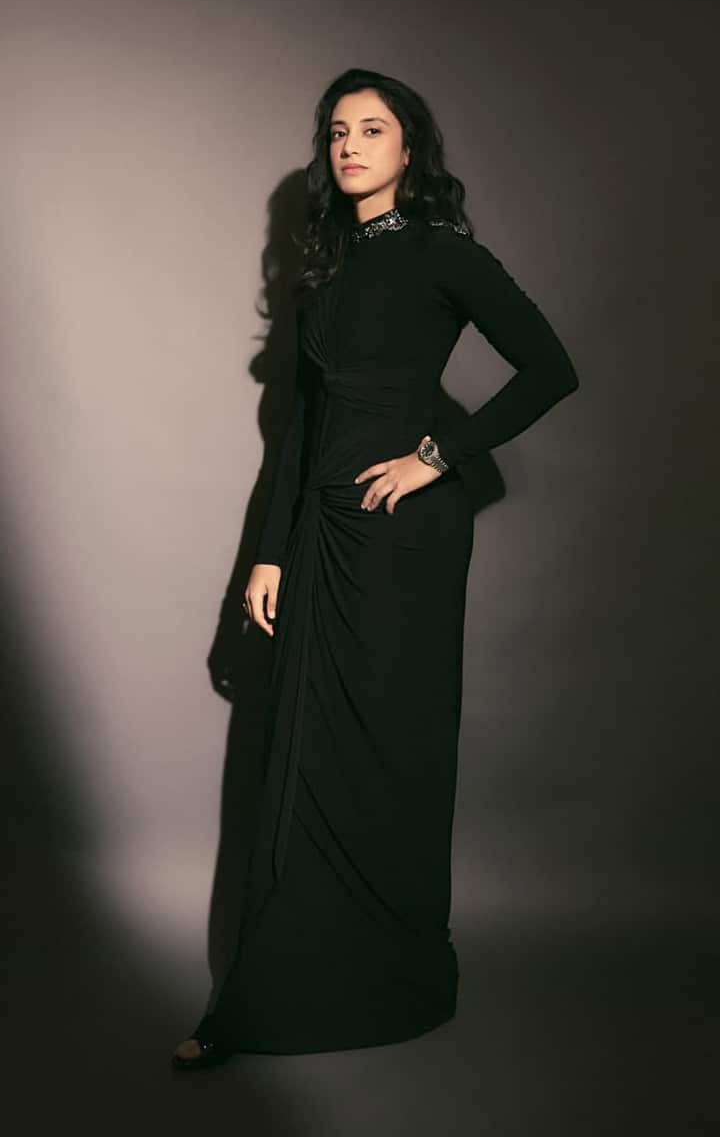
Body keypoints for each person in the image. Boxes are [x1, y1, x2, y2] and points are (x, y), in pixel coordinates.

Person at [171, 67, 579, 1069]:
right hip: (320, 531)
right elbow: (301, 428)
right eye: (338, 131)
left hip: (406, 543)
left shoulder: (443, 253)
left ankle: (395, 977)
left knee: (392, 748)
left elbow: (550, 368)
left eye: (372, 128)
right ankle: (269, 997)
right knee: (303, 756)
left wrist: (438, 456)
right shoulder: (326, 270)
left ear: (409, 148)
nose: (350, 145)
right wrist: (268, 554)